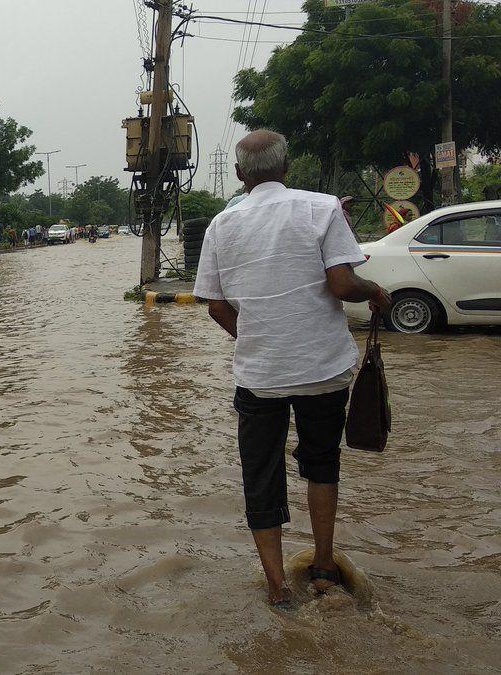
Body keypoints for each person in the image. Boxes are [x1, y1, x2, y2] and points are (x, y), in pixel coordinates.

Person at [193, 130, 393, 607]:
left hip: (259, 378)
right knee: (322, 464)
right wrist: (376, 292)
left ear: (240, 174)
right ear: (287, 168)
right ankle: (324, 567)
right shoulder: (322, 208)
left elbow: (216, 307)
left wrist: (259, 338)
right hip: (322, 371)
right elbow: (343, 284)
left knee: (260, 474)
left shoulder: (221, 225)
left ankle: (278, 587)